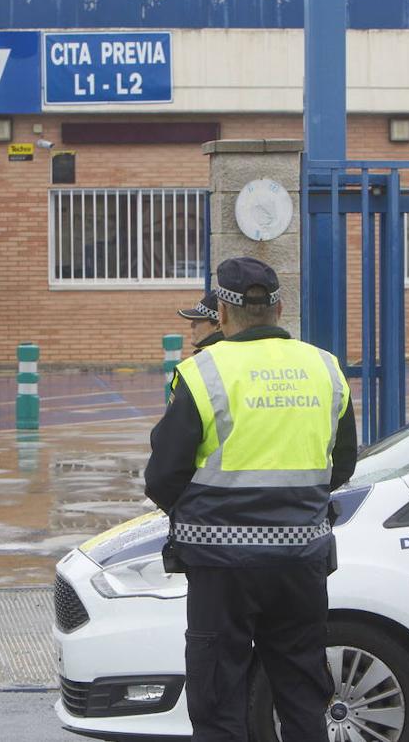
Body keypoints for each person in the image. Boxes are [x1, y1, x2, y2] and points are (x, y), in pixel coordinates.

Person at [144, 257, 357, 742]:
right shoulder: (324, 368)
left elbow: (162, 478)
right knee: (303, 698)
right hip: (300, 565)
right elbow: (340, 466)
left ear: (221, 312)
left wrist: (207, 511)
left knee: (220, 703)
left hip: (221, 570)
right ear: (279, 307)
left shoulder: (202, 374)